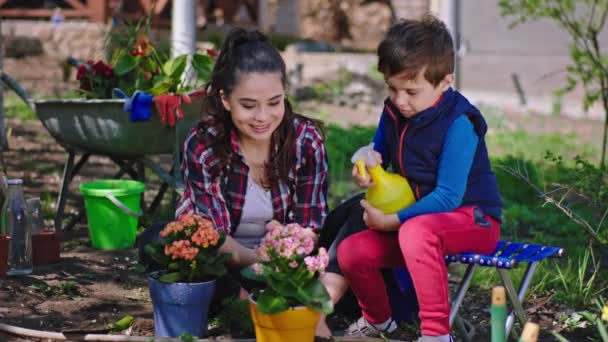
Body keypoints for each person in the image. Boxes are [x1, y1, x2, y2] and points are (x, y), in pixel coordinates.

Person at [336, 14, 503, 342]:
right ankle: (379, 323)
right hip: (419, 223)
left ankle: (437, 334)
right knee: (352, 251)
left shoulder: (459, 125)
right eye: (393, 88)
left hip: (474, 220)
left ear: (445, 81)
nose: (400, 100)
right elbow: (378, 150)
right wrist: (369, 167)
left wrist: (392, 220)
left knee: (415, 231)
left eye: (411, 91)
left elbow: (448, 198)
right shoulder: (395, 111)